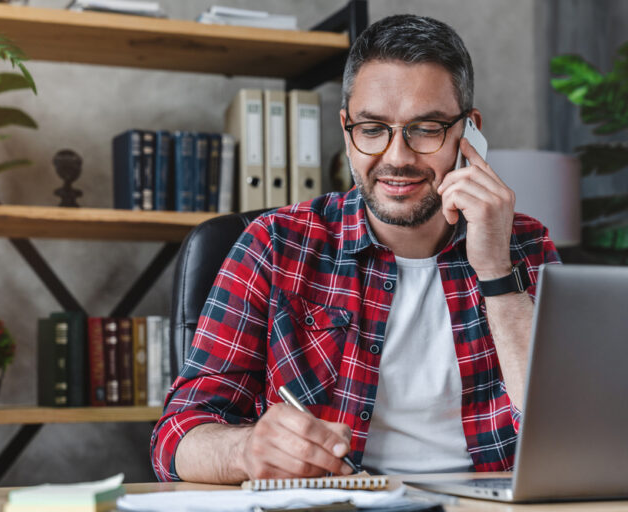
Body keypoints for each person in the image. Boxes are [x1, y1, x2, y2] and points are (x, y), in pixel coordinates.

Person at [151, 14, 559, 483]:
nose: (397, 157)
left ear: (470, 132)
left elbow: (571, 435)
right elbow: (175, 436)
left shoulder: (526, 245)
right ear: (346, 129)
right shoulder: (275, 244)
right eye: (372, 128)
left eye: (426, 128)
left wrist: (497, 272)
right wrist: (246, 450)